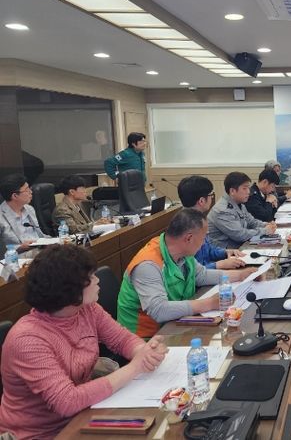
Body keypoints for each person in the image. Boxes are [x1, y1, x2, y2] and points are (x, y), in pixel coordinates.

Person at [0, 245, 167, 439]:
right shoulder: (27, 340)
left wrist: (144, 351)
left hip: (84, 414)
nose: (97, 280)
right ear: (68, 288)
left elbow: (121, 339)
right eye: (91, 276)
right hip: (42, 433)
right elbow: (67, 401)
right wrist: (135, 367)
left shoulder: (86, 309)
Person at [117, 208, 223, 338]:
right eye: (203, 238)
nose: (203, 244)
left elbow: (201, 275)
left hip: (174, 325)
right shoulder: (147, 265)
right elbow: (159, 310)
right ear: (189, 238)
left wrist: (242, 275)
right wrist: (210, 303)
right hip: (145, 339)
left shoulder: (181, 250)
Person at [176, 175, 252, 277]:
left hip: (208, 270)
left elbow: (208, 250)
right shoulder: (186, 226)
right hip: (199, 281)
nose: (212, 197)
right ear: (201, 201)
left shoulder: (197, 219)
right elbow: (191, 272)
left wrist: (226, 252)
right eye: (211, 195)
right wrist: (218, 265)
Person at [207, 172, 276, 249]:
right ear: (232, 191)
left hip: (239, 247)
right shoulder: (222, 210)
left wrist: (267, 225)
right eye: (244, 188)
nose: (248, 192)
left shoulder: (239, 204)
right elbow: (240, 235)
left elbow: (252, 222)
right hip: (226, 252)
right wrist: (265, 231)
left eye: (248, 188)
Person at [0, 174, 46, 255]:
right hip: (18, 257)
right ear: (15, 196)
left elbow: (40, 235)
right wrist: (20, 247)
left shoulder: (29, 209)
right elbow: (2, 251)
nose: (31, 192)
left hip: (39, 251)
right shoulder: (1, 216)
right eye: (27, 190)